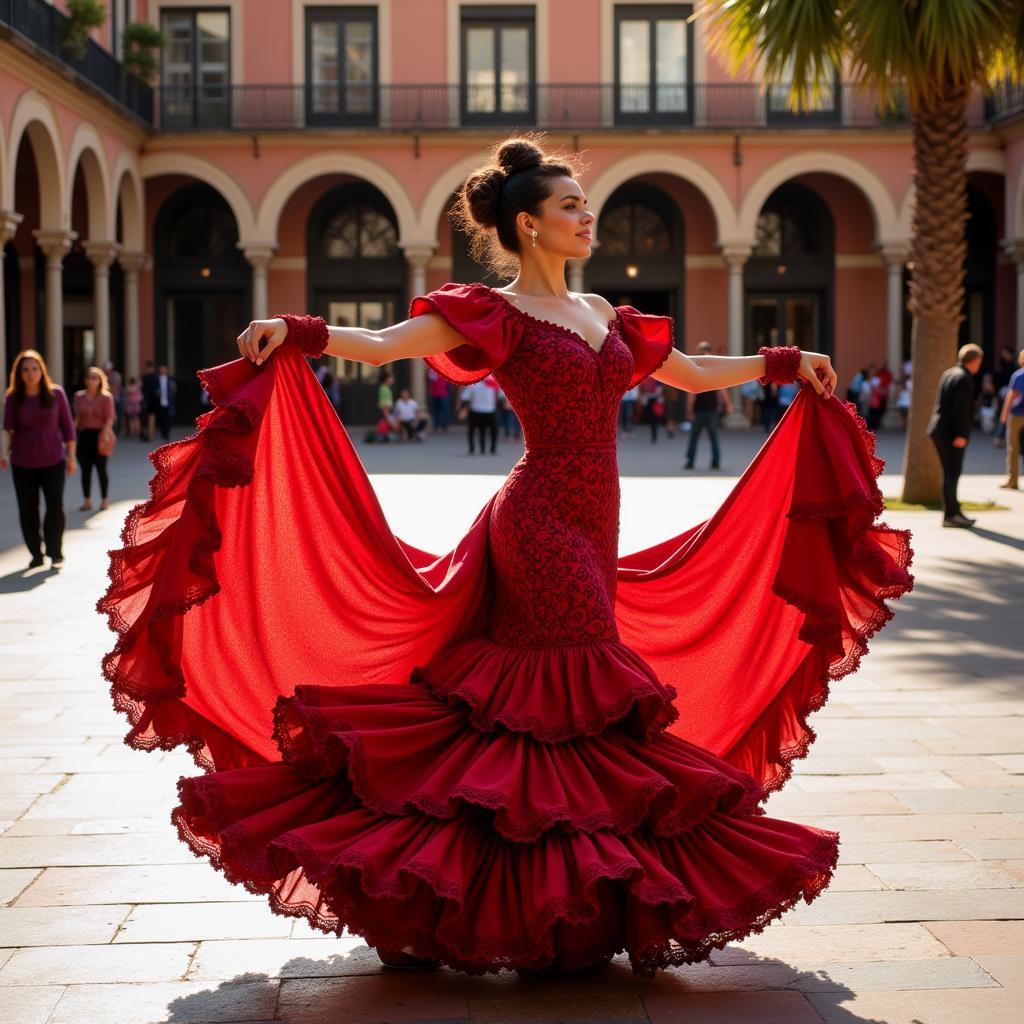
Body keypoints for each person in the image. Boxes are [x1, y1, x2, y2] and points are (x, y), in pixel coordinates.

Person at [98, 135, 914, 979]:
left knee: (548, 709)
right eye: (570, 206)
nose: (586, 216)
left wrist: (787, 363)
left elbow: (695, 374)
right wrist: (297, 330)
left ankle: (511, 897)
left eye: (582, 204)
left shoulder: (605, 313)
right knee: (561, 691)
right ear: (528, 225)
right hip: (538, 523)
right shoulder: (491, 312)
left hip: (596, 522)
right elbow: (382, 346)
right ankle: (534, 903)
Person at [1, 349, 76, 569]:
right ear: (19, 373)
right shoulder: (13, 397)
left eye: (34, 369)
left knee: (55, 507)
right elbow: (7, 428)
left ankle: (55, 551)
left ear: (41, 370)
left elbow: (68, 427)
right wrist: (4, 453)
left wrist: (72, 457)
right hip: (23, 462)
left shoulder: (57, 394)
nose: (30, 373)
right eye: (25, 370)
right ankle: (36, 552)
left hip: (54, 460)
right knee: (28, 509)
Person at [926, 343, 983, 527]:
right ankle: (951, 515)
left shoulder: (949, 373)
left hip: (939, 429)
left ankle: (954, 511)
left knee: (949, 472)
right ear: (974, 361)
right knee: (952, 472)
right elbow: (960, 410)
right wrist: (960, 434)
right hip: (951, 433)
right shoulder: (965, 379)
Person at [72, 365, 116, 511]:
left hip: (100, 435)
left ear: (100, 380)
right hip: (84, 436)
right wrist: (71, 432)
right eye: (88, 377)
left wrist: (105, 433)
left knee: (101, 469)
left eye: (94, 377)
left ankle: (104, 500)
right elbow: (77, 417)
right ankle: (87, 501)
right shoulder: (79, 396)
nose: (91, 380)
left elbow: (110, 418)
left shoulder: (106, 397)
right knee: (85, 470)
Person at [683, 341, 731, 470]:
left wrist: (689, 409)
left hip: (699, 410)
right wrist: (728, 404)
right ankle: (715, 462)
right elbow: (722, 388)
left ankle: (690, 461)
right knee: (713, 438)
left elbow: (691, 391)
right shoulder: (715, 368)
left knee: (694, 437)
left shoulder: (696, 366)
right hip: (711, 410)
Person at [998, 349, 1024, 490]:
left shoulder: (1018, 376)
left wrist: (1004, 414)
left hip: (1017, 415)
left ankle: (1012, 481)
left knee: (1013, 449)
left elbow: (1011, 397)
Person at [459, 375, 499, 454]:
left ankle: (492, 449)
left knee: (493, 430)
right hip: (476, 410)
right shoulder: (473, 381)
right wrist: (463, 409)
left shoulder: (493, 380)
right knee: (474, 430)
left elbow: (500, 393)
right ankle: (472, 448)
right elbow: (466, 396)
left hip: (490, 410)